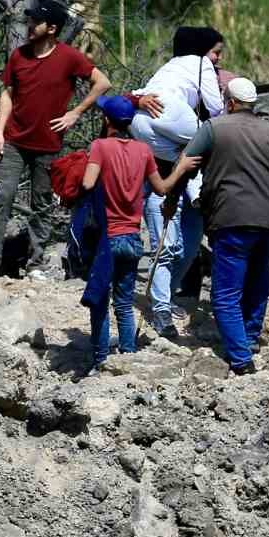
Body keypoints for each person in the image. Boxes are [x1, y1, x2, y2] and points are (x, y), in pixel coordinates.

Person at [169, 77, 269, 375]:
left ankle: (241, 359)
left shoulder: (214, 129)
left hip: (230, 219)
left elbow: (187, 162)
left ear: (229, 102)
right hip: (268, 219)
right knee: (257, 281)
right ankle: (249, 338)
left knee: (226, 292)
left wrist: (172, 195)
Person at [0, 0, 110, 280]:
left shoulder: (69, 57)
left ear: (51, 28)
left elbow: (102, 82)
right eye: (29, 20)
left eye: (35, 21)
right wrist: (0, 132)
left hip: (48, 144)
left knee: (42, 204)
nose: (29, 25)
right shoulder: (19, 56)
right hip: (13, 140)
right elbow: (7, 94)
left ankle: (35, 264)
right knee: (1, 197)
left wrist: (76, 112)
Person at [78, 95, 187, 371]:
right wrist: (182, 168)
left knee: (100, 303)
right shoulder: (144, 151)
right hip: (132, 238)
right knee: (124, 303)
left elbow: (88, 182)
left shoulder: (100, 147)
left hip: (107, 238)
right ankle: (128, 357)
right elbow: (162, 189)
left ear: (106, 120)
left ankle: (100, 360)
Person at [132, 26, 227, 337]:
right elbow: (217, 111)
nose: (218, 59)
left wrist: (134, 99)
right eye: (216, 52)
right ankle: (160, 307)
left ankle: (165, 299)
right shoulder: (200, 66)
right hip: (166, 140)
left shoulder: (167, 69)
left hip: (144, 125)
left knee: (185, 243)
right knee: (210, 138)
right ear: (202, 50)